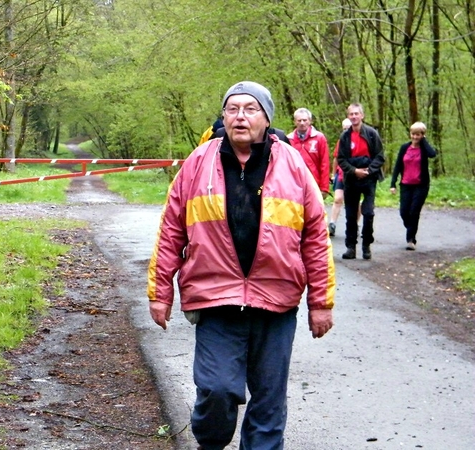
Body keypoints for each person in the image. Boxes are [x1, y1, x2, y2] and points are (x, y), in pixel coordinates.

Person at [147, 81, 335, 450]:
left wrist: (321, 303)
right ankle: (211, 440)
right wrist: (160, 293)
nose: (240, 117)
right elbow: (171, 230)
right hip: (215, 298)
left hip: (276, 300)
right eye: (232, 109)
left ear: (266, 118)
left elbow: (315, 237)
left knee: (268, 400)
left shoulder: (293, 165)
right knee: (216, 390)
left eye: (251, 109)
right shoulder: (197, 163)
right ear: (223, 117)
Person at [337, 103, 385, 260]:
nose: (354, 117)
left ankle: (366, 245)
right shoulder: (345, 137)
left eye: (356, 114)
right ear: (348, 116)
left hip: (369, 179)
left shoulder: (371, 134)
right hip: (351, 179)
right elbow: (341, 159)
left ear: (362, 116)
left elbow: (380, 156)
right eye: (351, 114)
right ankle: (351, 247)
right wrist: (354, 171)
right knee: (351, 215)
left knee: (368, 212)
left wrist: (369, 171)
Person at [390, 121, 437, 250]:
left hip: (420, 185)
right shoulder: (404, 148)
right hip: (406, 184)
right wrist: (393, 183)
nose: (415, 137)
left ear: (422, 135)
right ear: (410, 134)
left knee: (414, 211)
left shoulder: (424, 149)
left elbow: (433, 154)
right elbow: (398, 166)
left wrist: (424, 141)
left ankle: (410, 239)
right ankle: (411, 228)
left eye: (418, 134)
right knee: (404, 212)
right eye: (413, 134)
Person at [329, 118, 362, 237]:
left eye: (348, 128)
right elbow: (336, 158)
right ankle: (332, 224)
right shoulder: (341, 141)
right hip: (341, 174)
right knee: (338, 199)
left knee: (355, 202)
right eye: (344, 129)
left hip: (354, 175)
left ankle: (356, 224)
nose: (346, 130)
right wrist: (333, 174)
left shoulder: (360, 140)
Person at [287, 108, 331, 196]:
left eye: (304, 120)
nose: (302, 123)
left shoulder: (319, 138)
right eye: (299, 120)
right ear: (295, 122)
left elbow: (325, 163)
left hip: (314, 184)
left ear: (310, 121)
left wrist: (324, 188)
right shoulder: (288, 139)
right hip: (294, 185)